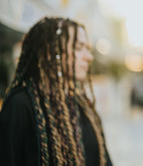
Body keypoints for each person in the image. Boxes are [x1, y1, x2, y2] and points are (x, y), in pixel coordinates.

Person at [0, 17, 113, 166]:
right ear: (51, 52)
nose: (89, 57)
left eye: (87, 49)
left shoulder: (86, 109)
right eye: (78, 48)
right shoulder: (21, 106)